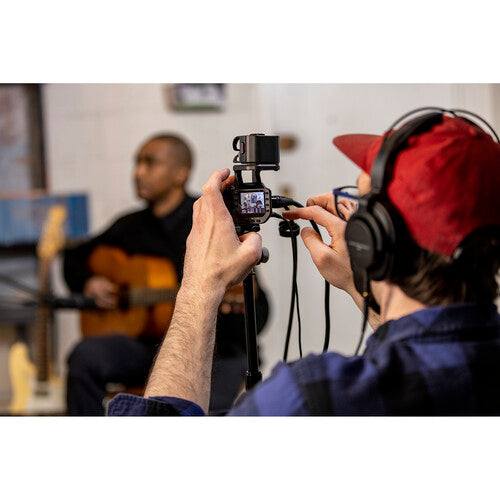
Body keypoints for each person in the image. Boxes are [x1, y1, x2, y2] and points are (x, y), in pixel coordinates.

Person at [108, 108, 500, 417]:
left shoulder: (312, 396)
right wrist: (360, 285)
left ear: (372, 238)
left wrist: (199, 284)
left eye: (360, 200)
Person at [63, 133, 269, 415]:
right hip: (146, 347)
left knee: (205, 409)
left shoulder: (212, 221)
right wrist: (90, 282)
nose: (138, 173)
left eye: (150, 163)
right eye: (137, 163)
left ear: (180, 173)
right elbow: (75, 257)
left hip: (212, 350)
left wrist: (218, 305)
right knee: (84, 356)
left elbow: (259, 310)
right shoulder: (129, 226)